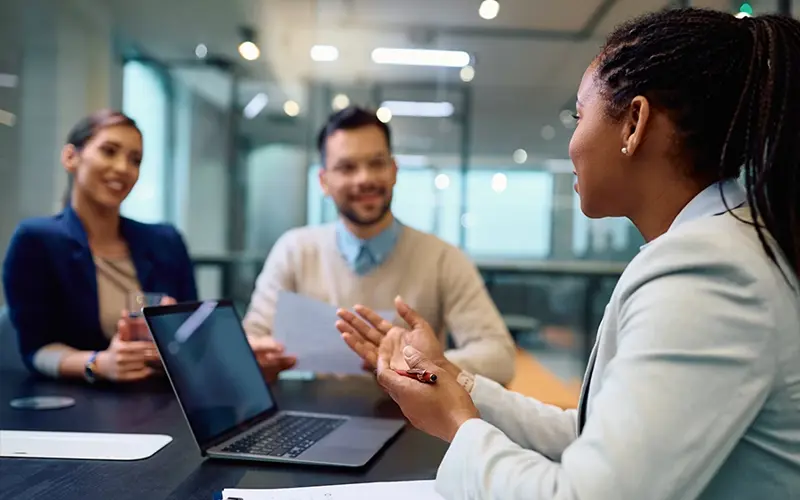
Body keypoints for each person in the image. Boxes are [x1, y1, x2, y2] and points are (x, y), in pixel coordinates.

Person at [336, 8, 800, 499]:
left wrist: (456, 422)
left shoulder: (710, 272)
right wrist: (451, 379)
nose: (571, 142)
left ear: (634, 123)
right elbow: (589, 433)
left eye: (580, 116)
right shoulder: (715, 248)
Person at [243, 106, 516, 384]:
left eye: (376, 163)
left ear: (394, 170)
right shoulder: (294, 251)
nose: (365, 179)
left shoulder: (443, 258)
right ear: (324, 182)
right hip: (315, 414)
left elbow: (499, 358)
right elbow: (251, 341)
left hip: (414, 421)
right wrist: (257, 360)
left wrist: (421, 365)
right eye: (347, 167)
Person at [2, 110, 198, 383]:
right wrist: (98, 363)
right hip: (78, 403)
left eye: (135, 160)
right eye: (109, 151)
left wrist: (172, 330)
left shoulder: (166, 241)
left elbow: (194, 336)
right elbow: (36, 351)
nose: (122, 168)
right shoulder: (37, 240)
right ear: (71, 157)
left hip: (162, 397)